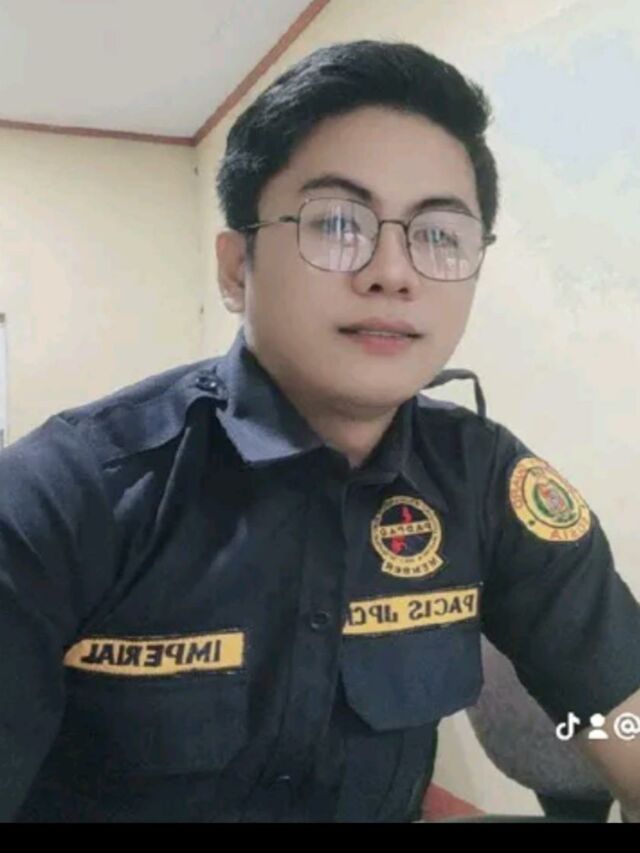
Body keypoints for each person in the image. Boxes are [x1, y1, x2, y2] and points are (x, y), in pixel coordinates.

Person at [0, 40, 639, 824]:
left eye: (440, 234)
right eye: (337, 222)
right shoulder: (62, 499)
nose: (393, 272)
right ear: (236, 269)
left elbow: (620, 711)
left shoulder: (487, 480)